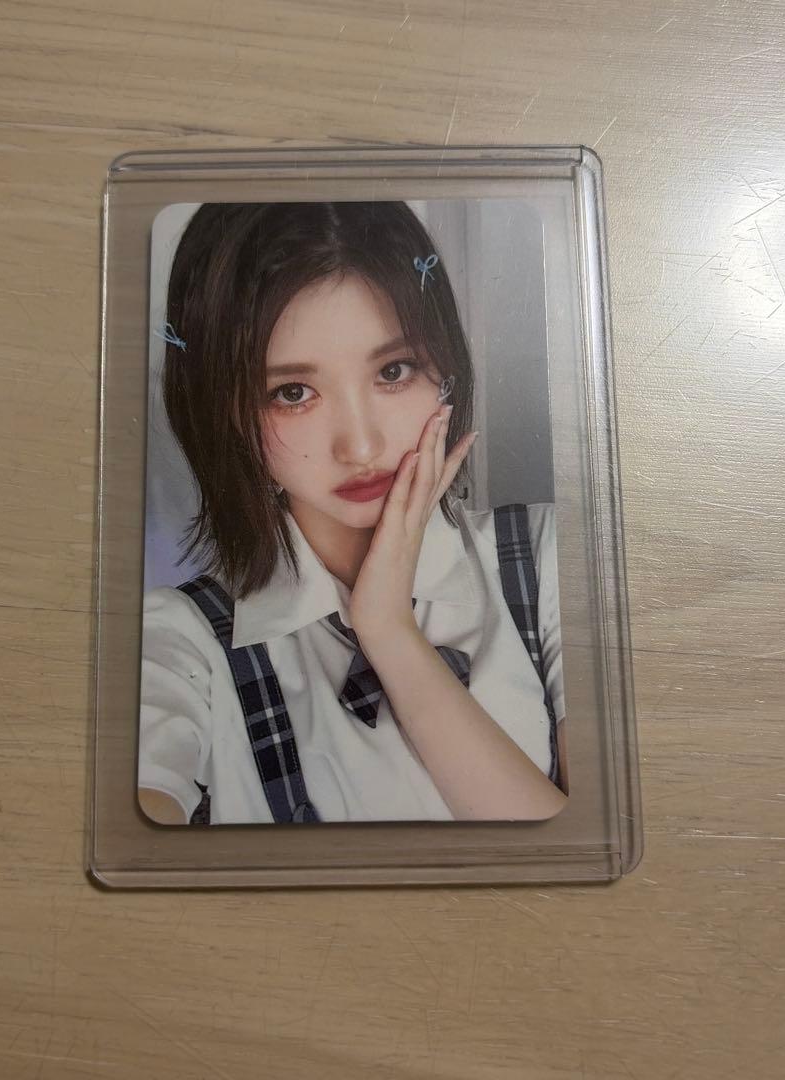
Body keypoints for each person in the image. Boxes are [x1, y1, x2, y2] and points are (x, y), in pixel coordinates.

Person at [138, 201, 568, 825]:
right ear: (224, 414)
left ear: (444, 370)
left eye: (394, 371)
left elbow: (591, 854)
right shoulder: (182, 643)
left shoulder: (548, 559)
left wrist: (389, 630)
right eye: (293, 393)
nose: (361, 447)